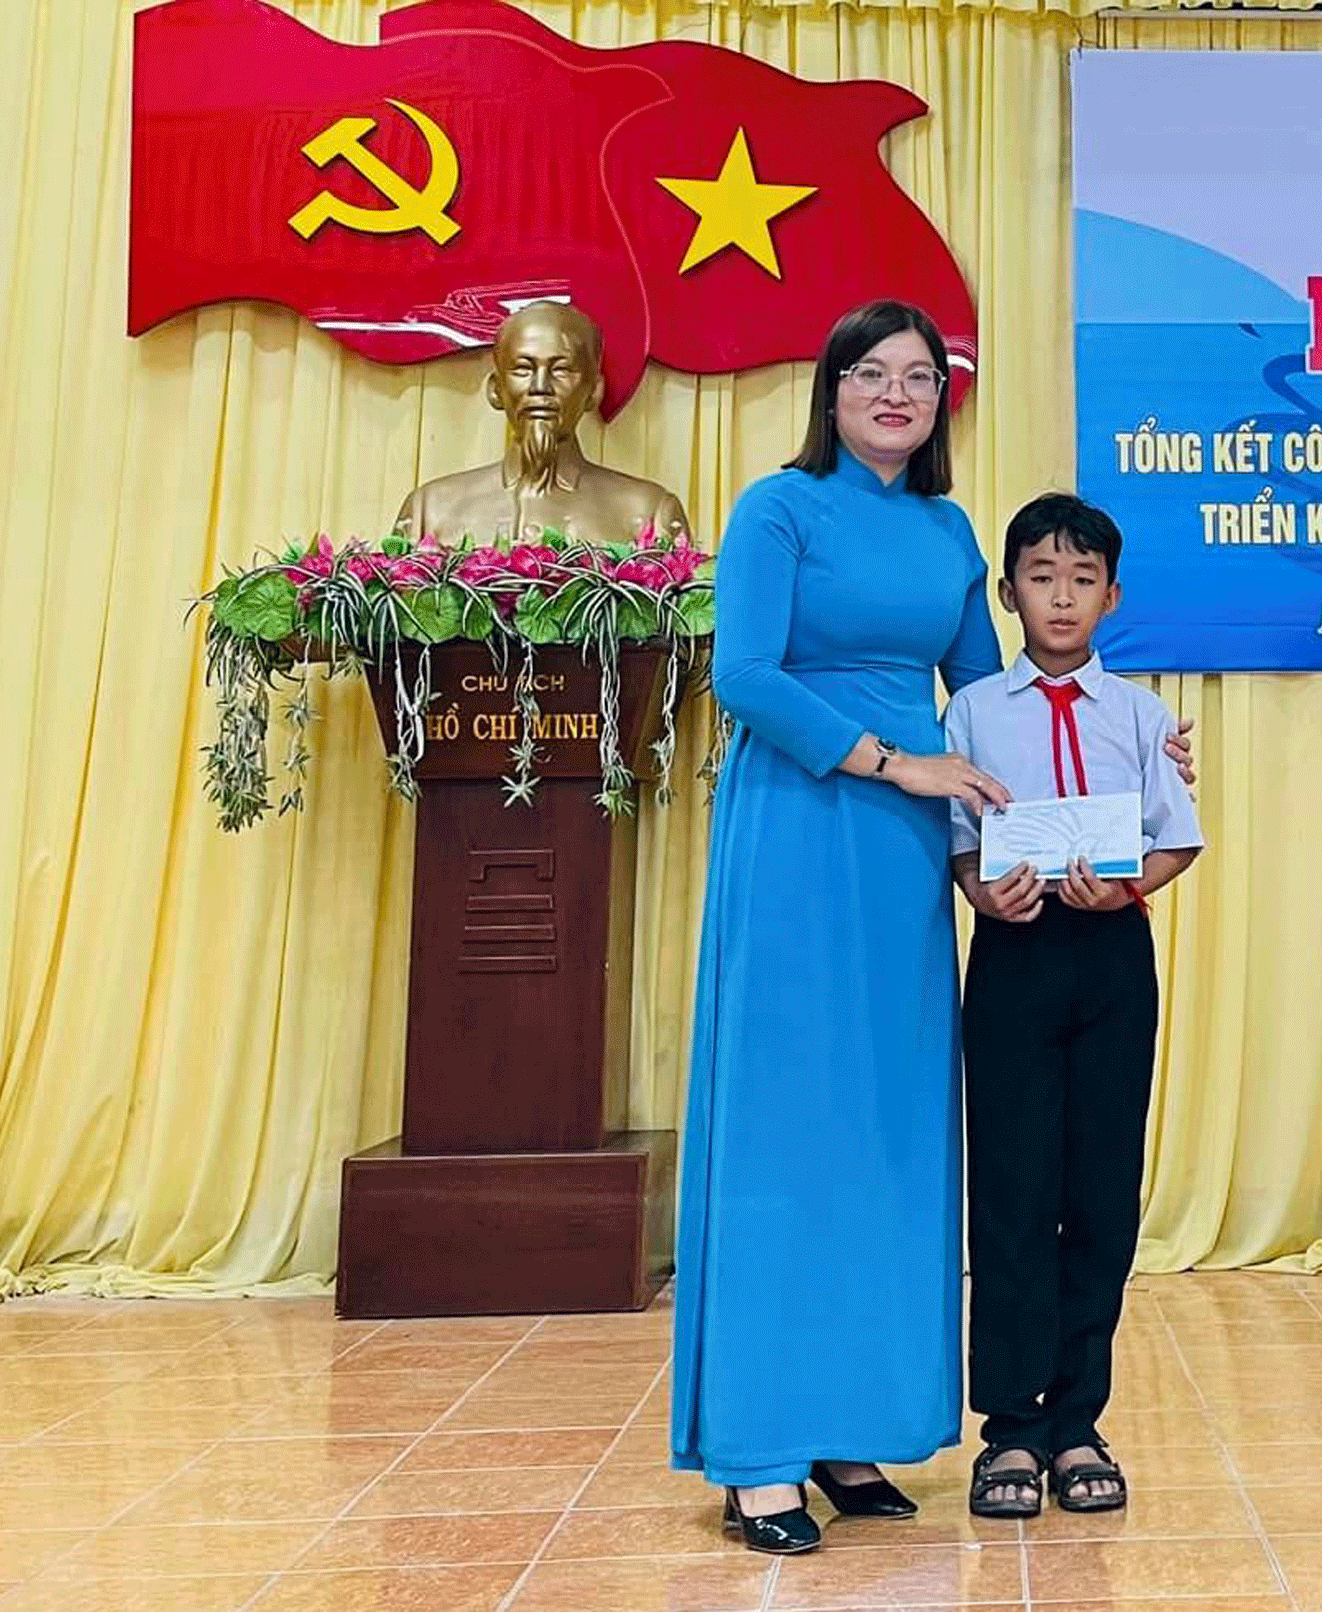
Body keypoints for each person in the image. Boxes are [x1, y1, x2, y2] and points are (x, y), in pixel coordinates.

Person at [670, 302, 1193, 1555]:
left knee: (893, 1128)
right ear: (831, 388)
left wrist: (1135, 740)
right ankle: (760, 1451)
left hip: (910, 857)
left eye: (920, 376)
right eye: (871, 373)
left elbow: (991, 695)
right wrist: (886, 761)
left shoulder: (949, 528)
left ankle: (850, 1425)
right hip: (804, 822)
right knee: (789, 1124)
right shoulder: (776, 510)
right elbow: (740, 674)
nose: (897, 393)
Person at [940, 494, 1203, 1520]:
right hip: (1011, 955)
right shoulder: (971, 712)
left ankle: (1078, 1417)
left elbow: (1175, 837)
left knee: (1099, 1187)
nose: (1061, 594)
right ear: (1008, 593)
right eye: (1041, 575)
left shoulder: (1139, 714)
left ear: (1112, 596)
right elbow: (960, 843)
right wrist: (979, 889)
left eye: (1081, 578)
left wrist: (1131, 884)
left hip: (1108, 953)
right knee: (1010, 1186)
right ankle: (1008, 1427)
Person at [390, 300, 688, 547]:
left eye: (561, 370)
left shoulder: (648, 512)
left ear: (593, 392)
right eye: (523, 369)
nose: (540, 386)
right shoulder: (429, 510)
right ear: (496, 389)